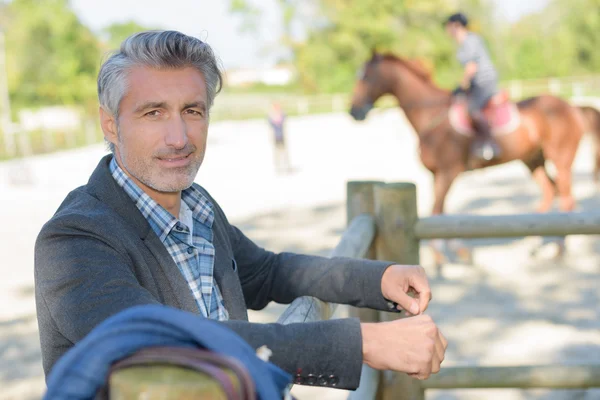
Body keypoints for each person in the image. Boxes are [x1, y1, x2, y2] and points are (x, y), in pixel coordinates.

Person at [34, 30, 447, 391]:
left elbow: (266, 272)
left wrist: (378, 279)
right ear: (110, 124)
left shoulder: (196, 203)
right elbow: (158, 345)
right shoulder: (73, 240)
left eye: (192, 111)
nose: (179, 137)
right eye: (153, 112)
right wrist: (363, 344)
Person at [445, 12, 501, 161]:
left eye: (448, 26)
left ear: (456, 26)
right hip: (476, 82)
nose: (447, 30)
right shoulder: (463, 44)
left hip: (484, 80)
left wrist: (461, 86)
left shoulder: (470, 40)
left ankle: (490, 143)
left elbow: (471, 68)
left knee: (472, 109)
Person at [267, 102, 291, 174]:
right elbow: (270, 124)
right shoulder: (271, 115)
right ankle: (278, 167)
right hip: (275, 136)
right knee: (276, 152)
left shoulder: (282, 114)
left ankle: (286, 166)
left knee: (284, 151)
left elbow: (284, 119)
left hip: (282, 135)